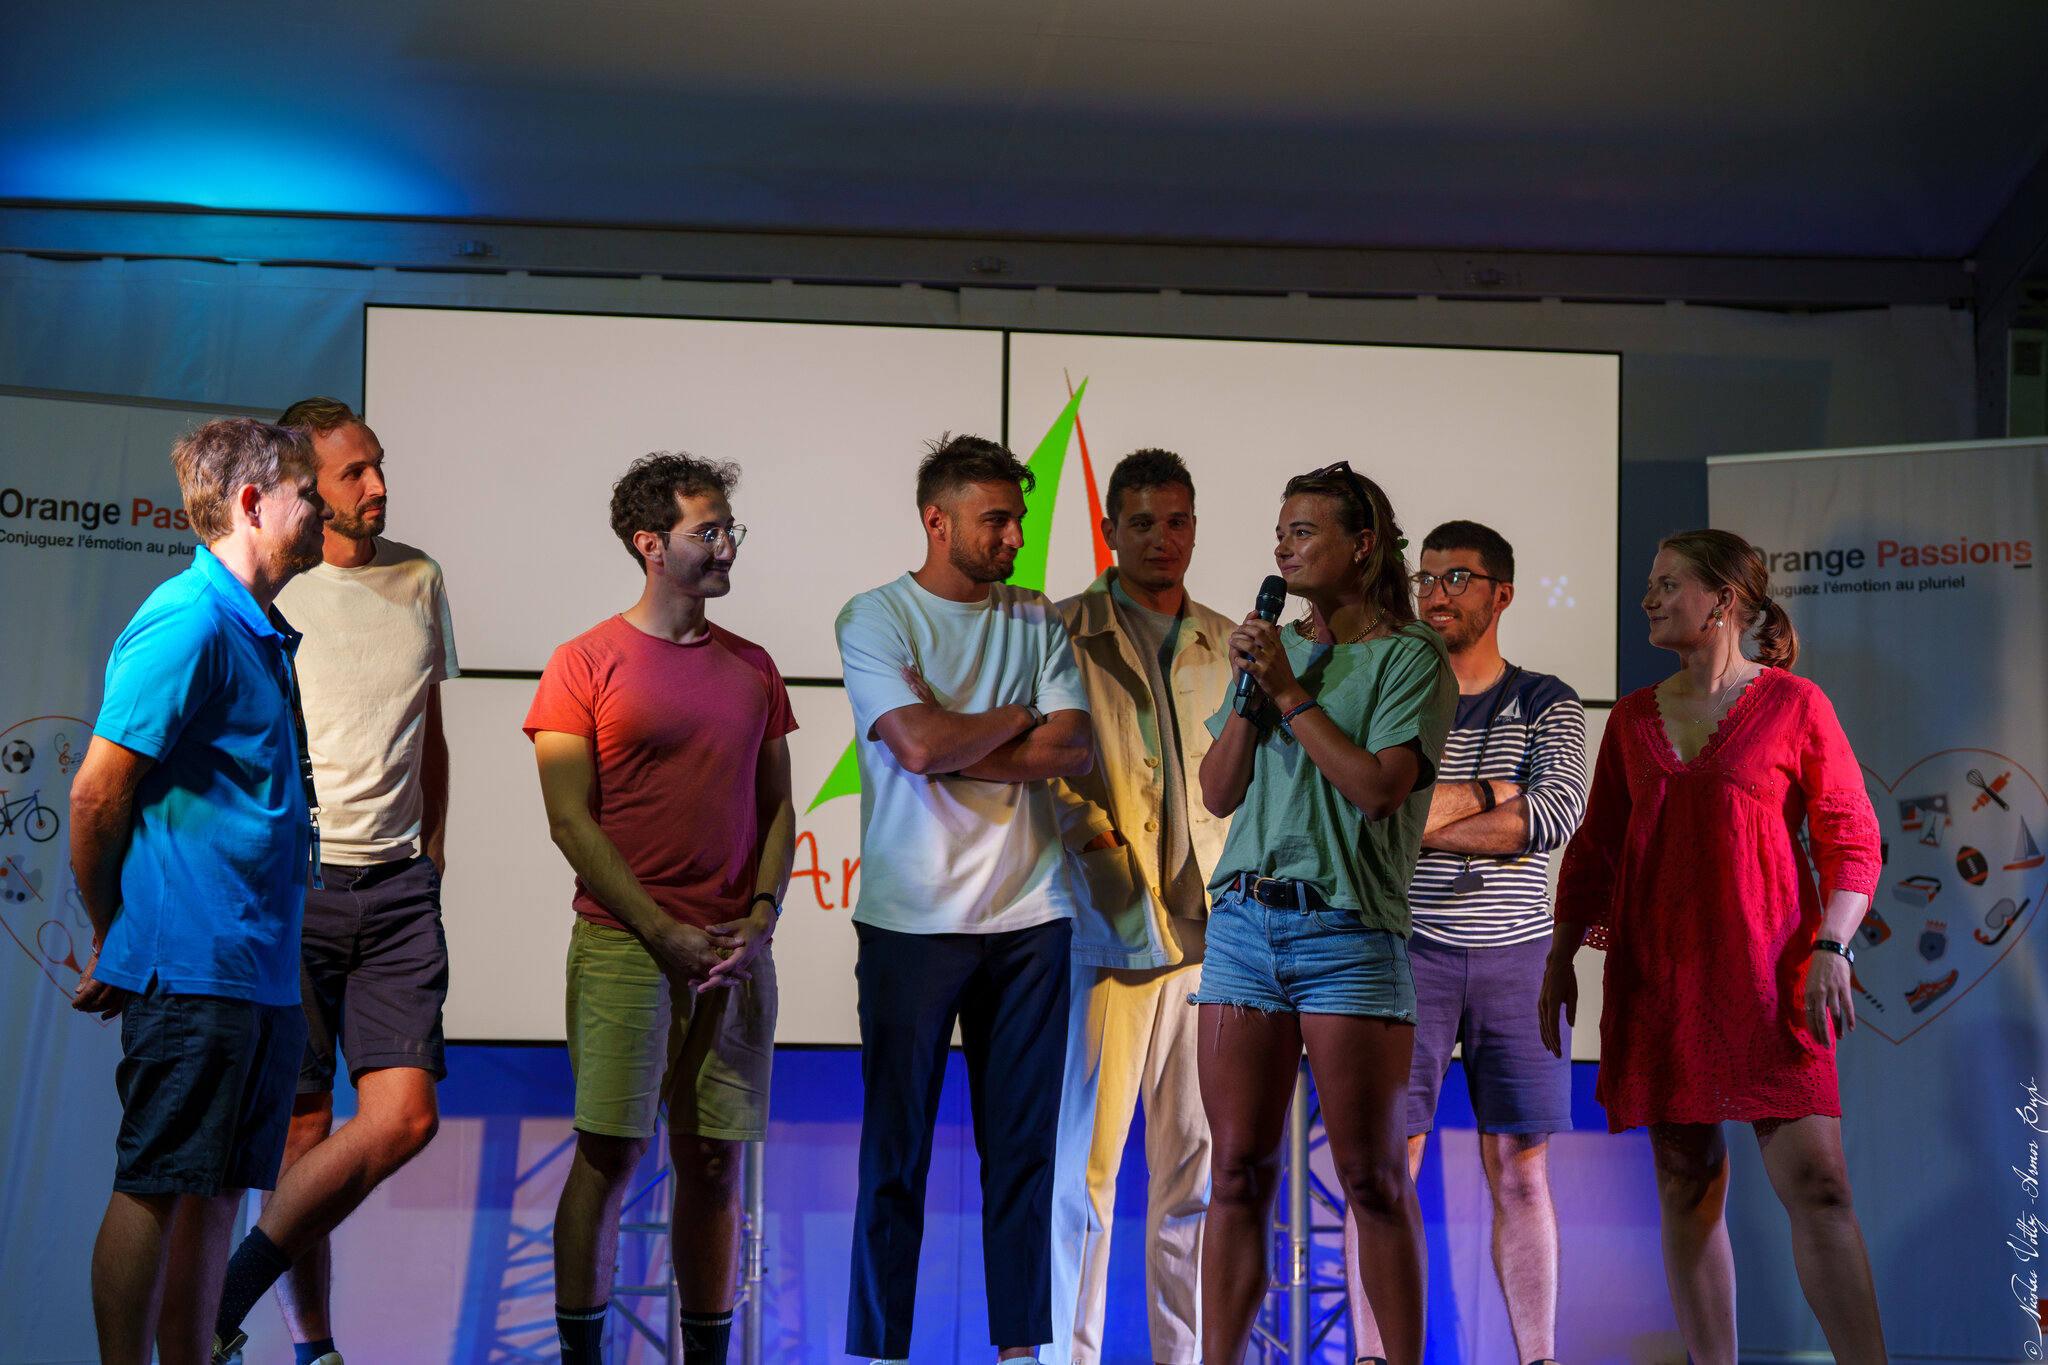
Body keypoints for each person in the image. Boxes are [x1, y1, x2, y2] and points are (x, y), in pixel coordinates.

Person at [1539, 529, 1887, 1365]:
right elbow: (1595, 849)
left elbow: (1852, 836)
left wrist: (1833, 945)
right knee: (1688, 1183)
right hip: (1662, 982)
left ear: (1722, 601)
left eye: (1667, 584)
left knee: (1821, 1185)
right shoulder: (1631, 719)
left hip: (1771, 978)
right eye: (1651, 584)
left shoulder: (1795, 704)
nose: (1649, 598)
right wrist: (1559, 956)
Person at [199, 398, 459, 1365]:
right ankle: (315, 1349)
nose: (377, 486)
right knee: (300, 1130)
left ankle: (228, 1291)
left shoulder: (421, 575)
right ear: (306, 484)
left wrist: (435, 851)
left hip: (398, 887)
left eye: (378, 464)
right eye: (354, 473)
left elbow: (430, 729)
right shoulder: (271, 588)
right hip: (296, 887)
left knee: (407, 1115)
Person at [526, 452, 798, 1365]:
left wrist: (761, 916)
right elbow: (568, 819)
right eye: (706, 530)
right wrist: (657, 928)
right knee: (610, 1155)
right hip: (625, 946)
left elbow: (779, 807)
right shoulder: (583, 662)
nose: (727, 546)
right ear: (650, 544)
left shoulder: (753, 666)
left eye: (729, 529)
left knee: (715, 1162)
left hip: (733, 952)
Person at [69, 418, 329, 1365]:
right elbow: (96, 793)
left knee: (218, 1188)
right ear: (253, 503)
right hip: (192, 963)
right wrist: (118, 930)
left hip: (259, 967)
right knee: (156, 1179)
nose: (325, 507)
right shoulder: (189, 619)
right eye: (309, 490)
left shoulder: (255, 629)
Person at [836, 434, 1094, 1365]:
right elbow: (914, 745)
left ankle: (1022, 1352)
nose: (1015, 535)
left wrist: (959, 736)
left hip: (1031, 920)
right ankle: (881, 1353)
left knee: (1024, 1157)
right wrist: (1019, 715)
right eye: (997, 519)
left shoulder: (1036, 617)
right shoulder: (875, 616)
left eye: (1018, 518)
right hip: (910, 923)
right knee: (894, 1157)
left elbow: (1074, 748)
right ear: (936, 521)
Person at [1194, 462, 1455, 1365]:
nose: (1284, 548)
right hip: (1242, 928)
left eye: (1303, 532)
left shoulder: (1410, 656)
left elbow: (1379, 789)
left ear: (1363, 544)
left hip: (1346, 933)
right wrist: (1254, 690)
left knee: (1371, 1176)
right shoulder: (1276, 649)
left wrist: (1290, 692)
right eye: (1280, 533)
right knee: (1236, 1170)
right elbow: (1218, 791)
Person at [1342, 520, 1586, 1365]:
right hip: (1401, 950)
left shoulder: (1547, 699)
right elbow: (1363, 810)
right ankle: (1373, 1356)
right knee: (1384, 1166)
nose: (1436, 593)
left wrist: (1413, 816)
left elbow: (1551, 815)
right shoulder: (1393, 691)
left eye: (1457, 578)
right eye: (1427, 577)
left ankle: (1539, 1358)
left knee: (1521, 1168)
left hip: (1520, 956)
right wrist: (1488, 794)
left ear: (1501, 594)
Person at [1046, 449, 1236, 1365]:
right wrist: (1101, 854)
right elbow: (1041, 770)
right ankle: (1066, 1356)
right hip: (1106, 933)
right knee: (1083, 1175)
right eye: (1144, 522)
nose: (1164, 538)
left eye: (1179, 520)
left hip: (1213, 943)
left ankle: (1184, 1356)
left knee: (1195, 1173)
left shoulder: (1230, 641)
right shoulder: (1060, 631)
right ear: (1111, 529)